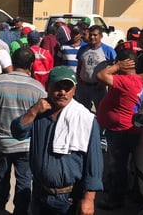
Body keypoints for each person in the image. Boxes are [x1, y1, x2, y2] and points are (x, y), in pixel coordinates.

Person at [11, 66, 103, 215]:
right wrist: (33, 111)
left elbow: (94, 162)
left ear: (75, 89)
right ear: (47, 87)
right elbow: (17, 132)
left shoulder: (85, 119)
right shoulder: (40, 114)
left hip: (67, 198)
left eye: (68, 88)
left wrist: (89, 198)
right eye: (57, 87)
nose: (62, 93)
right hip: (39, 192)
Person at [0, 48, 46, 213]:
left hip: (1, 142)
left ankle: (0, 202)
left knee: (2, 173)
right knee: (24, 179)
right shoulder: (38, 88)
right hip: (26, 145)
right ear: (31, 64)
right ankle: (20, 210)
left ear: (12, 62)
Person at [96, 48, 143, 210]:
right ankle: (126, 191)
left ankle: (115, 199)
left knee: (118, 166)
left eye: (118, 62)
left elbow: (101, 75)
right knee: (126, 166)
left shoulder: (127, 81)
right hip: (127, 129)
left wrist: (117, 67)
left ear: (124, 64)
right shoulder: (138, 79)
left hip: (120, 131)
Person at [76, 25, 117, 112]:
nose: (92, 37)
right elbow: (80, 65)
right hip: (83, 86)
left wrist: (106, 82)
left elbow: (115, 67)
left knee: (102, 112)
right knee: (82, 112)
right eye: (90, 35)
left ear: (101, 36)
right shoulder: (82, 49)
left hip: (99, 88)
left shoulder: (108, 50)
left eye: (95, 35)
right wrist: (78, 78)